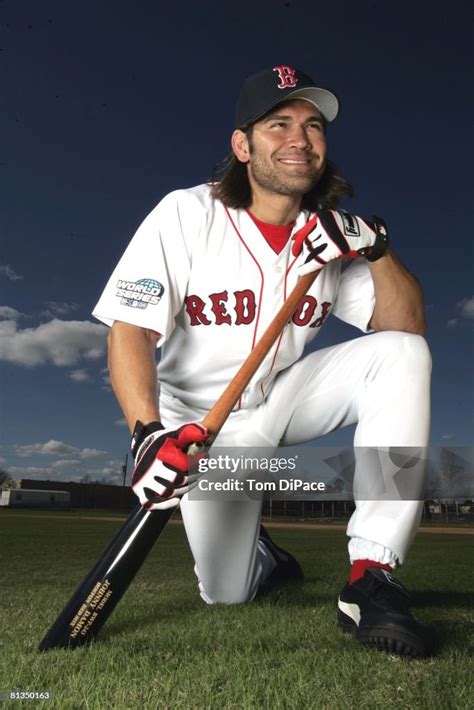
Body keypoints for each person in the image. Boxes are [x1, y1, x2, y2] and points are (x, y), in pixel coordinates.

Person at [93, 65, 432, 657]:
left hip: (277, 402)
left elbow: (405, 328)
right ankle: (264, 556)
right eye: (279, 124)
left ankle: (371, 574)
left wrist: (374, 246)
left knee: (401, 357)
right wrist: (147, 434)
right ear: (243, 145)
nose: (300, 138)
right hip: (195, 429)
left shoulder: (326, 237)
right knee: (226, 594)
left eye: (313, 125)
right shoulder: (186, 213)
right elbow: (131, 331)